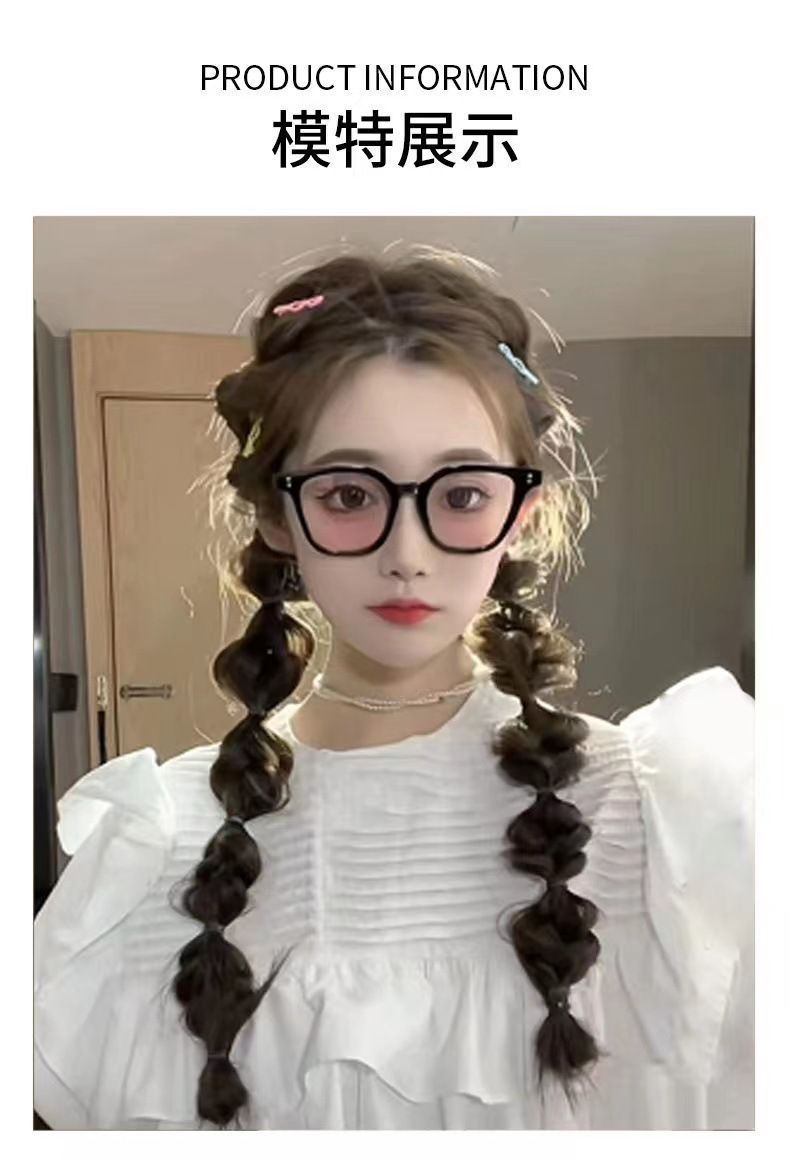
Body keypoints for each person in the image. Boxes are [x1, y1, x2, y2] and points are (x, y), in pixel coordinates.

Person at [33, 247, 754, 1130]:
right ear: (277, 515)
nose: (406, 553)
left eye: (462, 495)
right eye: (348, 494)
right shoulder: (158, 842)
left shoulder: (663, 818)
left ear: (519, 514)